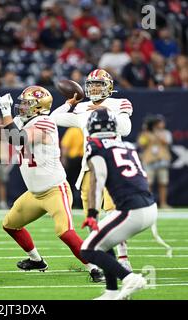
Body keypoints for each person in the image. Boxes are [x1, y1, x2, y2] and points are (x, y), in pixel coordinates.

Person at [0, 86, 104, 282]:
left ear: (39, 107)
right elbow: (4, 133)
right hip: (34, 193)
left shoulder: (45, 122)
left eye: (27, 103)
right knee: (10, 225)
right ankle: (37, 261)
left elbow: (17, 138)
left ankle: (96, 268)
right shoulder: (23, 120)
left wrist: (5, 113)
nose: (21, 106)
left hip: (55, 190)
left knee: (64, 231)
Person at [50, 69, 133, 271]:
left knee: (114, 212)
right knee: (91, 216)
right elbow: (53, 119)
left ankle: (123, 258)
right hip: (89, 167)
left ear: (109, 88)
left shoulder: (118, 103)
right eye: (92, 85)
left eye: (99, 84)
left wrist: (105, 111)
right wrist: (69, 104)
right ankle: (100, 258)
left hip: (112, 164)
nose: (95, 88)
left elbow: (125, 129)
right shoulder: (82, 108)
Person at [80, 108, 158, 300]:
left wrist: (91, 214)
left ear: (91, 127)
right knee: (104, 242)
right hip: (149, 205)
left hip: (132, 210)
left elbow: (97, 182)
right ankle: (112, 292)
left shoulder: (96, 147)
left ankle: (130, 278)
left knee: (88, 249)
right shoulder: (128, 146)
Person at [138, 115, 173, 209]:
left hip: (162, 161)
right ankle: (149, 204)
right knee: (148, 183)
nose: (158, 125)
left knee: (163, 183)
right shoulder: (145, 133)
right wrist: (146, 131)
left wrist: (156, 132)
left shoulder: (166, 133)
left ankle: (163, 203)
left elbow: (167, 142)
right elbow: (141, 144)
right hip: (149, 161)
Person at [60, 127, 84, 208]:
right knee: (79, 183)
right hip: (79, 160)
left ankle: (72, 203)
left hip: (75, 160)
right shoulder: (82, 130)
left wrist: (64, 159)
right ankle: (76, 204)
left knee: (72, 183)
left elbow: (65, 146)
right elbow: (65, 146)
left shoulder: (73, 130)